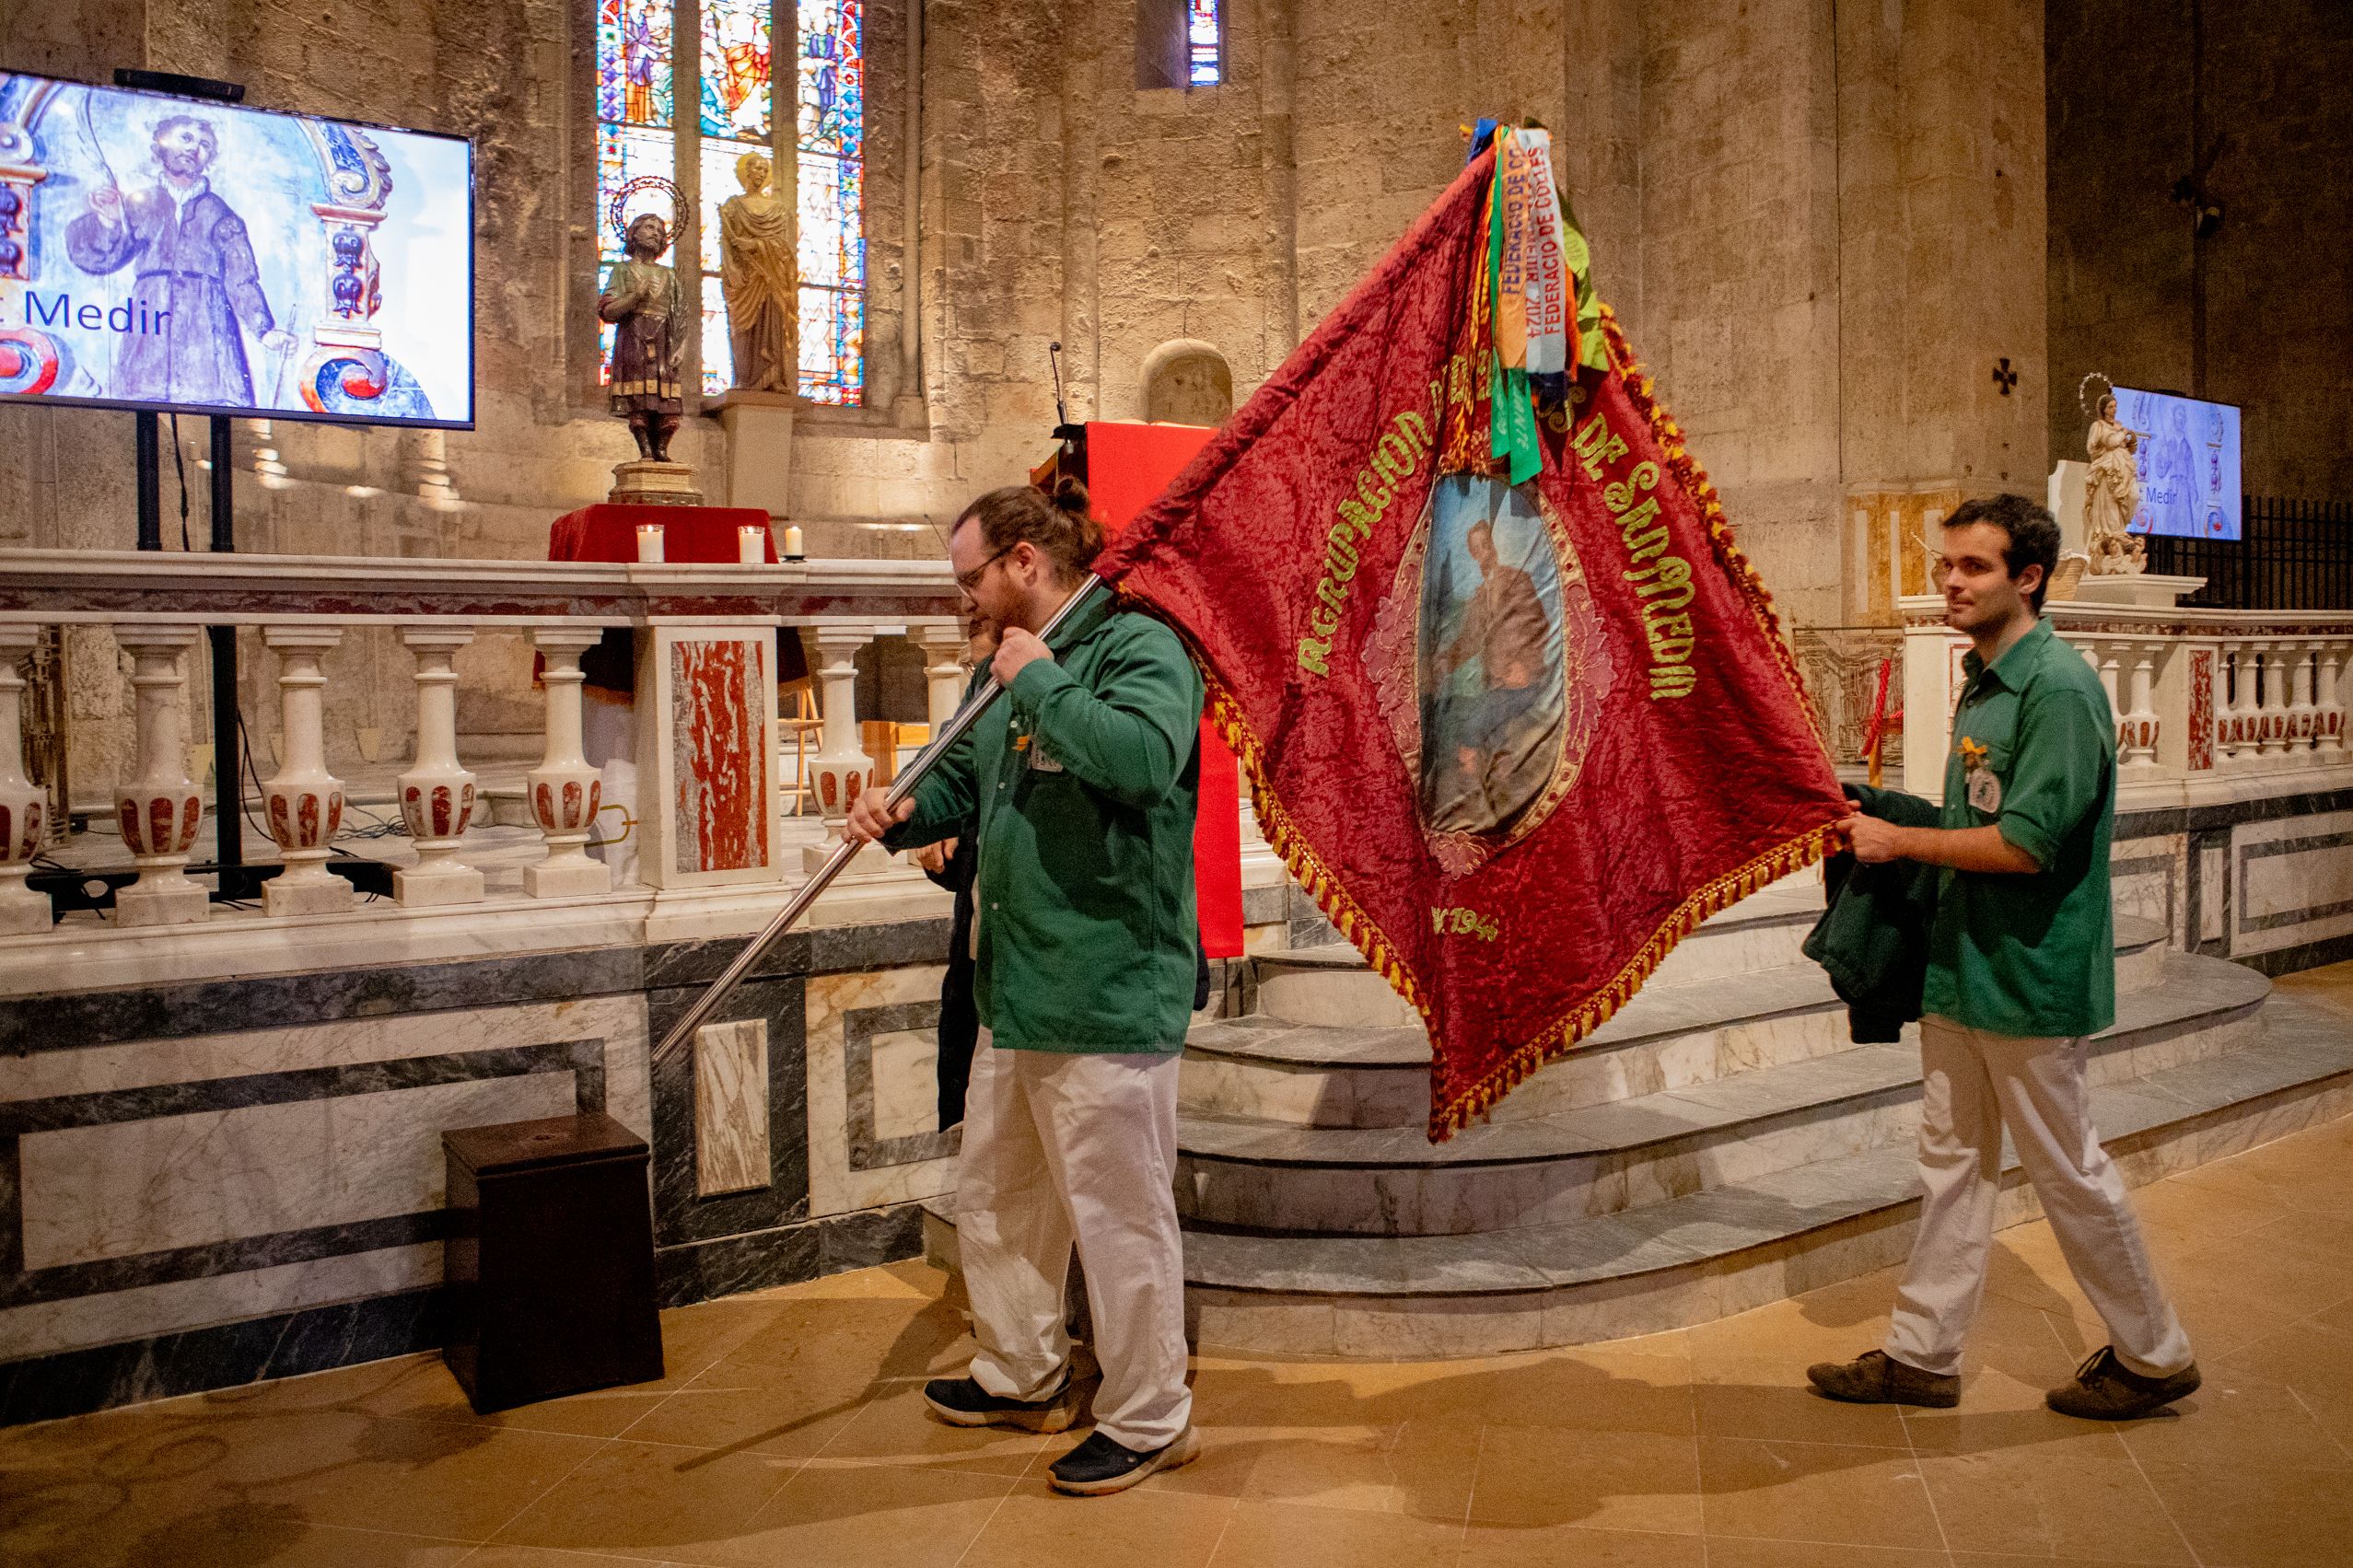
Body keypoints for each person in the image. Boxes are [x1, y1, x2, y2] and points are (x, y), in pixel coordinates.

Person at [843, 479, 1205, 1495]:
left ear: (1026, 563)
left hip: (1104, 985)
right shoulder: (999, 667)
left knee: (1118, 1217)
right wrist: (898, 809)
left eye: (972, 578)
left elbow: (1142, 760)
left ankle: (1146, 1414)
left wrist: (1040, 681)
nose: (963, 598)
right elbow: (960, 781)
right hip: (1015, 985)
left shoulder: (1139, 645)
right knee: (999, 1200)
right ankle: (1019, 1369)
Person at [1808, 494, 2200, 1422]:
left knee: (2065, 1167)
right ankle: (1920, 1352)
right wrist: (1873, 809)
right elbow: (1970, 819)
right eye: (1945, 564)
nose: (1949, 580)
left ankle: (2153, 1352)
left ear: (2027, 577)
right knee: (1949, 1160)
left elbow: (2024, 843)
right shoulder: (1983, 677)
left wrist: (1897, 844)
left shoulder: (2055, 689)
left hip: (2027, 972)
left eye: (1972, 566)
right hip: (1960, 963)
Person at [66, 114, 297, 407]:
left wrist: (264, 329)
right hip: (150, 328)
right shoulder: (140, 203)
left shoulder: (220, 213)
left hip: (207, 329)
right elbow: (101, 260)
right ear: (160, 147)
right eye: (185, 138)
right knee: (139, 403)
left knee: (215, 405)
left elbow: (242, 278)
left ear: (208, 158)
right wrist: (108, 221)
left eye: (204, 144)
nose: (193, 148)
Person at [598, 213, 685, 461]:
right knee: (639, 399)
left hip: (664, 341)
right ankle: (646, 449)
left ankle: (662, 449)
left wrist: (680, 347)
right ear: (634, 233)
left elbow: (680, 315)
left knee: (667, 400)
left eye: (659, 229)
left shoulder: (670, 275)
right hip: (634, 338)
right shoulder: (623, 270)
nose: (655, 232)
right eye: (648, 227)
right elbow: (608, 310)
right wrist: (634, 298)